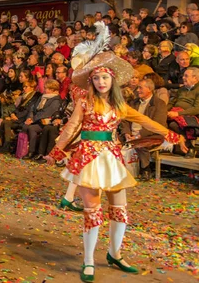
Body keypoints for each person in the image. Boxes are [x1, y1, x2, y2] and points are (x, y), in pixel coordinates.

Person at [45, 22, 185, 282]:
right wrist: (57, 150)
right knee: (92, 211)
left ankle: (115, 253)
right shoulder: (84, 102)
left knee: (120, 209)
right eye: (96, 77)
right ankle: (88, 260)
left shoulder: (120, 104)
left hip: (112, 157)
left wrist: (170, 134)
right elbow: (71, 127)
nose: (100, 81)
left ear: (113, 80)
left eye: (105, 77)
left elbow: (146, 122)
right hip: (88, 158)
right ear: (91, 80)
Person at [120, 79, 167, 181]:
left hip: (151, 135)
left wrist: (139, 135)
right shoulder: (133, 103)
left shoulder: (159, 104)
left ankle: (145, 168)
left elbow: (157, 124)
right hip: (132, 134)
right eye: (138, 88)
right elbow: (125, 120)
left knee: (140, 144)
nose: (137, 90)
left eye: (140, 88)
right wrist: (127, 133)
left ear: (149, 89)